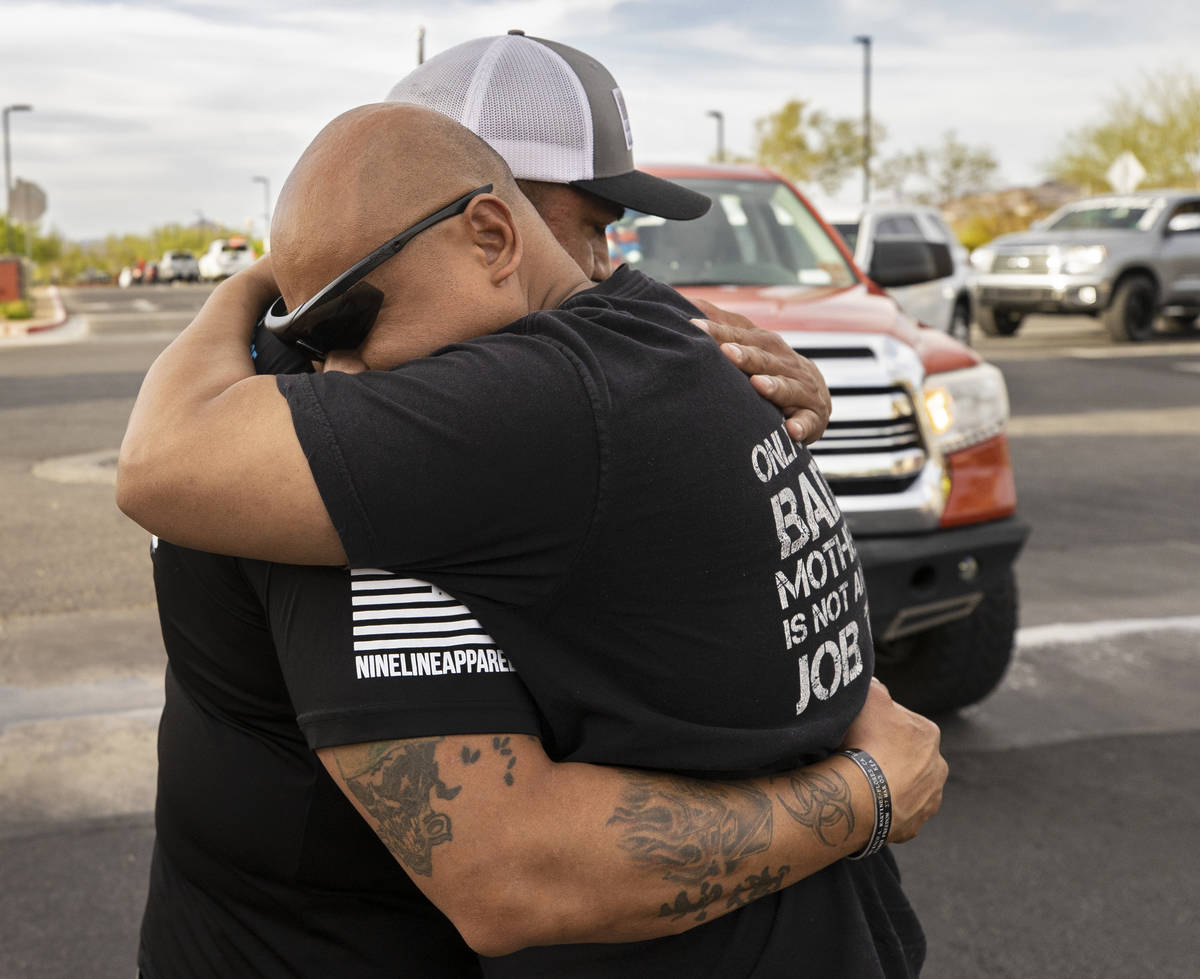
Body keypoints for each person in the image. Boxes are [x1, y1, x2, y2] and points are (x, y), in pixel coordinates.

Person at [119, 102, 945, 977]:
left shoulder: (530, 400)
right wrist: (866, 794)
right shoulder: (663, 346)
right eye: (311, 331)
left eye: (350, 317)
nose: (337, 372)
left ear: (492, 233)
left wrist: (251, 294)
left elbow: (155, 462)